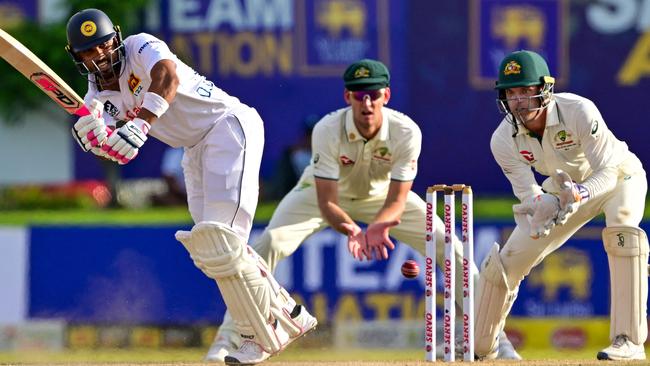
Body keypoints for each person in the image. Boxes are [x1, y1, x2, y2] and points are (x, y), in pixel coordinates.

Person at [206, 59, 521, 361]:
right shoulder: (328, 129)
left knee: (447, 245)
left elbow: (398, 199)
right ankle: (229, 338)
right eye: (359, 95)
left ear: (386, 95)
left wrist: (378, 226)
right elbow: (328, 201)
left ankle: (493, 339)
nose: (366, 103)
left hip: (382, 197)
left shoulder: (406, 131)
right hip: (319, 194)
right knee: (267, 245)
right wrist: (353, 229)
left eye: (373, 94)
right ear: (348, 97)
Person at [64, 8, 316, 365]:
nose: (99, 55)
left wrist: (142, 125)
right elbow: (118, 153)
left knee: (223, 239)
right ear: (77, 57)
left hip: (229, 126)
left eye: (103, 46)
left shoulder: (140, 46)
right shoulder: (97, 101)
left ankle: (264, 332)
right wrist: (97, 141)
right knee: (213, 249)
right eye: (89, 52)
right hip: (194, 149)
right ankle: (281, 317)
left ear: (116, 39)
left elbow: (167, 77)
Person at [475, 50, 647, 361]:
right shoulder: (503, 139)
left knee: (622, 229)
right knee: (511, 257)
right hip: (560, 188)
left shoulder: (578, 110)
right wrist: (542, 206)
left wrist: (580, 193)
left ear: (544, 89)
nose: (518, 101)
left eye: (525, 90)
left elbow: (607, 172)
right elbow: (528, 194)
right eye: (511, 93)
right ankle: (482, 346)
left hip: (618, 177)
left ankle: (628, 340)